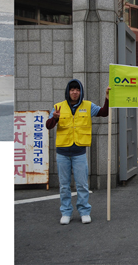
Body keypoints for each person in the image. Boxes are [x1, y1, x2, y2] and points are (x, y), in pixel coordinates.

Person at [46, 80, 109, 225]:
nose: (75, 92)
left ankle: (84, 211)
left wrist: (107, 97)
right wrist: (54, 119)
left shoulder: (88, 106)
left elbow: (104, 113)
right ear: (68, 92)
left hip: (79, 152)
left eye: (77, 90)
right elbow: (48, 126)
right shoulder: (58, 107)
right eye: (72, 90)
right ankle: (66, 212)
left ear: (81, 92)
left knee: (82, 184)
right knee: (64, 185)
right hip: (62, 152)